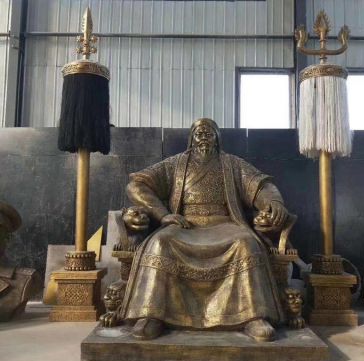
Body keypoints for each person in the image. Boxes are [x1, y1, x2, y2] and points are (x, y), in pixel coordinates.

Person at [119, 118, 289, 341]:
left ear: (217, 138)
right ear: (191, 138)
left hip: (225, 224)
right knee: (160, 242)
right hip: (185, 224)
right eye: (199, 133)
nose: (204, 138)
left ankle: (253, 316)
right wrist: (163, 215)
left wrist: (274, 202)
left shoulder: (232, 164)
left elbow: (261, 186)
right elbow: (136, 185)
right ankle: (152, 314)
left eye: (209, 133)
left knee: (246, 243)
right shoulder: (175, 164)